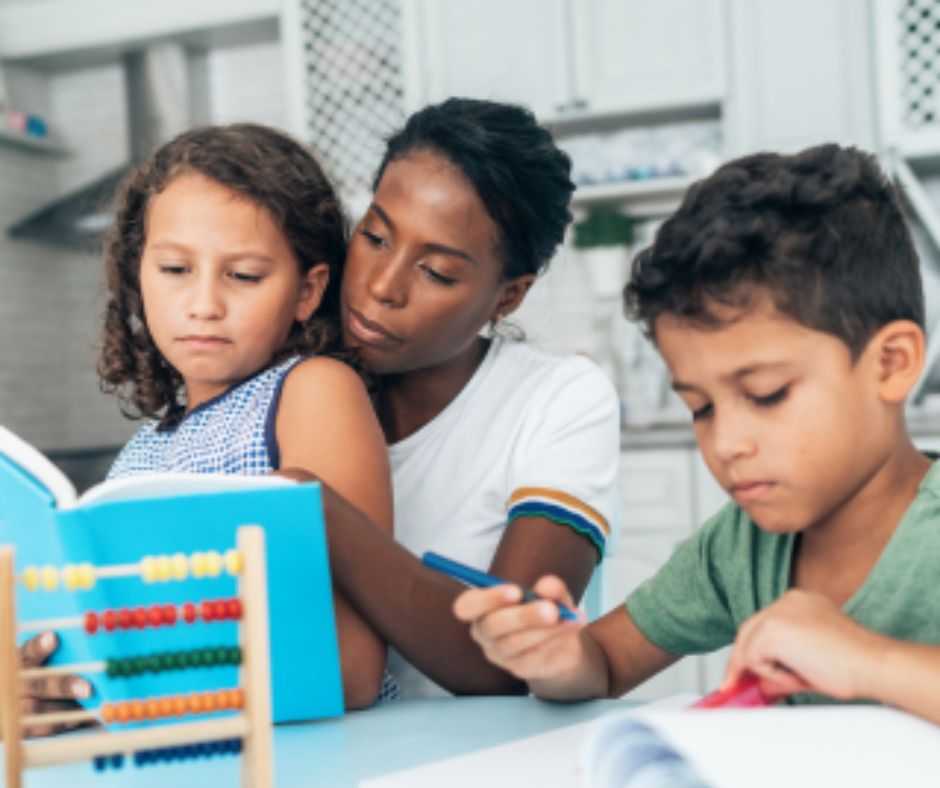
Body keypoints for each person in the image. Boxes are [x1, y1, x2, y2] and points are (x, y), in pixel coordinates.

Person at [453, 143, 940, 724]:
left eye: (765, 394)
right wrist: (559, 658)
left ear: (891, 364)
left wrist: (866, 660)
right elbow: (606, 664)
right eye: (700, 407)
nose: (727, 443)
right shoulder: (739, 547)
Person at [19, 123, 395, 734]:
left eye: (242, 276)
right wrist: (55, 685)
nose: (203, 305)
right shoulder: (142, 454)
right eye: (173, 269)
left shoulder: (312, 389)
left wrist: (144, 689)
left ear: (307, 291)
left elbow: (347, 671)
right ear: (137, 274)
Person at [319, 97, 621, 698]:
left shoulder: (557, 400)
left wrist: (318, 512)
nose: (381, 286)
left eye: (436, 273)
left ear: (509, 296)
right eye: (375, 236)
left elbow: (510, 666)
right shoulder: (300, 382)